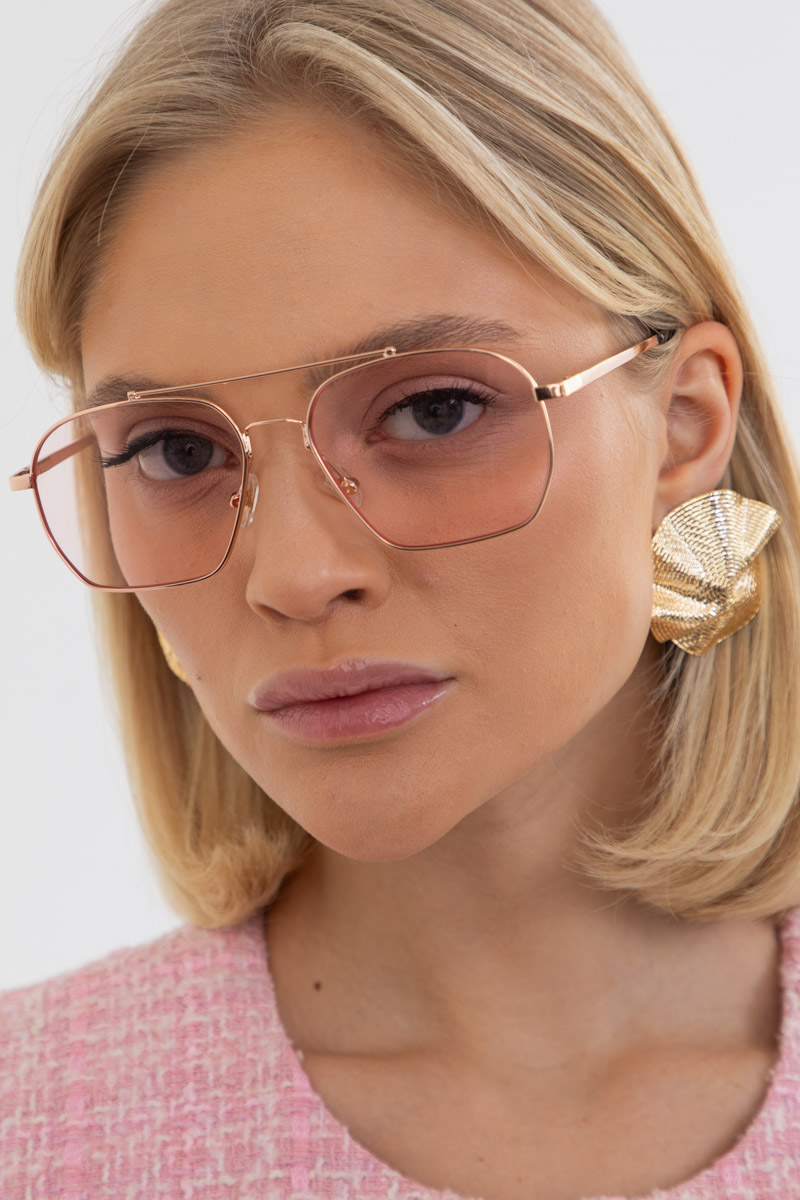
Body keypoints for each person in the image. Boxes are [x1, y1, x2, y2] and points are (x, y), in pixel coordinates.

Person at [2, 0, 800, 1197]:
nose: (292, 574)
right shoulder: (36, 1127)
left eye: (434, 411)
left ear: (684, 423)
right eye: (177, 451)